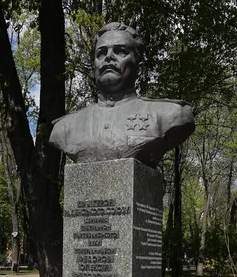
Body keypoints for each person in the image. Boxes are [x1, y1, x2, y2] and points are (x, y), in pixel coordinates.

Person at [49, 22, 195, 169]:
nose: (108, 57)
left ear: (139, 66)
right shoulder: (65, 128)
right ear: (94, 67)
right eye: (101, 53)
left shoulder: (169, 114)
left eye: (120, 51)